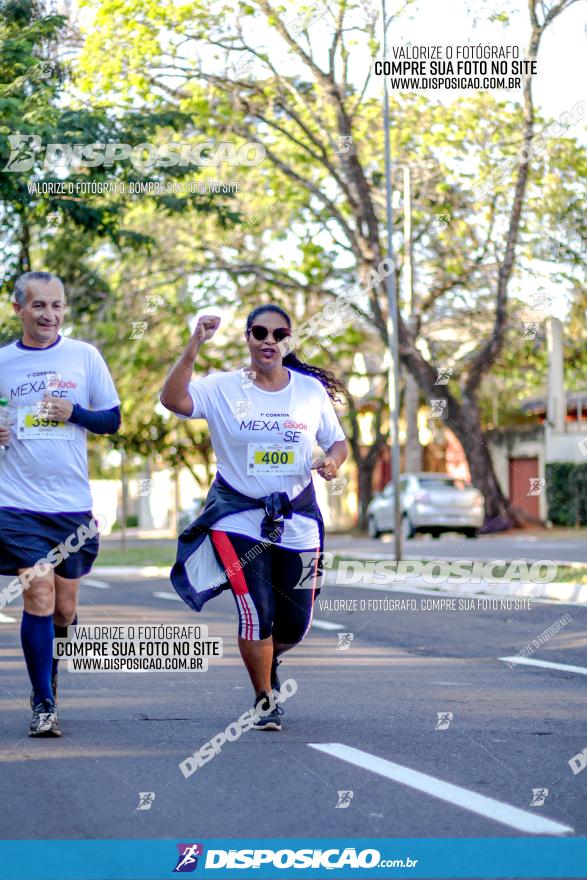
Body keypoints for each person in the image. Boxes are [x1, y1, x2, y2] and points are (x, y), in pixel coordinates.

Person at [161, 304, 348, 731]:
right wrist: (194, 345)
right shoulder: (223, 387)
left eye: (278, 333)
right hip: (237, 517)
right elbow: (172, 400)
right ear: (247, 338)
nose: (268, 340)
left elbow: (337, 442)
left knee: (296, 623)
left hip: (297, 519)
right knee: (255, 610)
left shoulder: (308, 391)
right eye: (259, 332)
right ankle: (264, 697)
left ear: (289, 340)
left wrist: (334, 463)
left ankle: (270, 659)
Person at [0, 272, 121, 737]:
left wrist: (76, 414)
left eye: (57, 306)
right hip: (15, 504)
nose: (49, 314)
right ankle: (43, 702)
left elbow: (111, 420)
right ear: (18, 310)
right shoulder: (3, 363)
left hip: (71, 505)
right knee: (39, 593)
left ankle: (51, 662)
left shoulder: (84, 357)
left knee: (64, 609)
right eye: (38, 306)